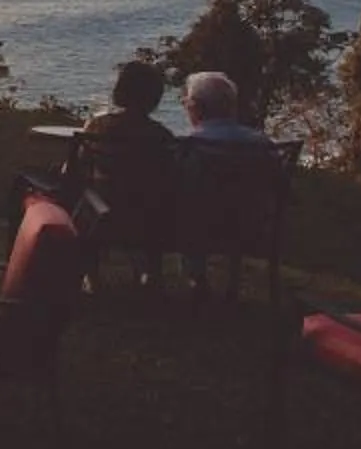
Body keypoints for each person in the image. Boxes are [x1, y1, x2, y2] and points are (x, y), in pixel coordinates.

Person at [73, 61, 180, 289]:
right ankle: (150, 273)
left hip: (103, 213)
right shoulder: (162, 136)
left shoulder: (98, 127)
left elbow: (82, 164)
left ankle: (91, 275)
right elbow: (172, 177)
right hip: (150, 217)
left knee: (83, 194)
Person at [173, 70, 273, 294]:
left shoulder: (191, 145)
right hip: (251, 225)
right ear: (231, 106)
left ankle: (196, 279)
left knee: (190, 209)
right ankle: (232, 285)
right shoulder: (260, 142)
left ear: (195, 107)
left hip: (199, 227)